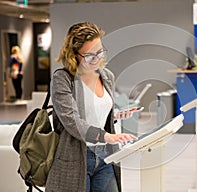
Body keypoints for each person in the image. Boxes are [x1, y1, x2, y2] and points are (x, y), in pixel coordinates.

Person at [46, 22, 137, 192]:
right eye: (89, 55)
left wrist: (115, 115)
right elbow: (72, 120)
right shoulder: (62, 79)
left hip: (106, 156)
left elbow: (94, 112)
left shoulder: (107, 76)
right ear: (74, 55)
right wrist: (106, 136)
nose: (97, 59)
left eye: (100, 52)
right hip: (75, 157)